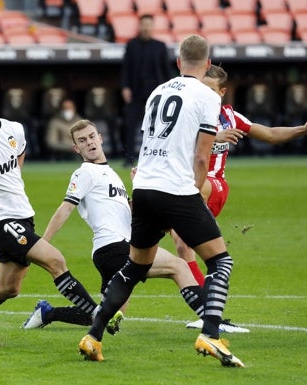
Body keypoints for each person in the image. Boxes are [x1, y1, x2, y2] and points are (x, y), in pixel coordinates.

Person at [78, 35, 245, 367]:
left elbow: (150, 142)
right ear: (208, 65)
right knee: (220, 261)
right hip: (177, 189)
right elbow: (201, 157)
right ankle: (211, 333)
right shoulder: (207, 97)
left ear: (178, 62)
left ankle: (93, 336)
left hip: (144, 189)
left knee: (134, 266)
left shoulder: (158, 91)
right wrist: (196, 195)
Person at [22, 120, 248, 334]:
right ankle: (212, 322)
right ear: (76, 148)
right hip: (114, 247)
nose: (89, 142)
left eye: (92, 137)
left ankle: (48, 313)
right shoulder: (85, 172)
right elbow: (65, 208)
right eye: (82, 140)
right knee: (179, 267)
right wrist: (42, 245)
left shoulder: (110, 174)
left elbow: (130, 214)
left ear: (101, 138)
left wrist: (137, 187)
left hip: (110, 251)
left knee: (107, 314)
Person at [0, 73, 99, 340]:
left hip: (23, 216)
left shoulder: (14, 129)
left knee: (8, 288)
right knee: (56, 260)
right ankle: (99, 316)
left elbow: (17, 162)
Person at [174, 64, 307, 330]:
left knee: (190, 209)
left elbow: (270, 134)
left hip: (211, 185)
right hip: (186, 186)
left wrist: (302, 129)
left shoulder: (229, 116)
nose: (203, 94)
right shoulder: (189, 113)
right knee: (183, 247)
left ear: (222, 92)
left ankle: (210, 313)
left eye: (210, 90)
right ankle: (209, 311)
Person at [120, 14, 170, 167]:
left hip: (156, 94)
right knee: (130, 125)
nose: (146, 27)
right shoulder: (131, 45)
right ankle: (129, 159)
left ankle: (157, 157)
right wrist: (125, 87)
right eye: (144, 24)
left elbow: (166, 71)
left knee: (157, 126)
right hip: (135, 92)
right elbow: (125, 69)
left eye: (149, 24)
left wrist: (168, 91)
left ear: (153, 26)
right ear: (139, 26)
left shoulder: (160, 46)